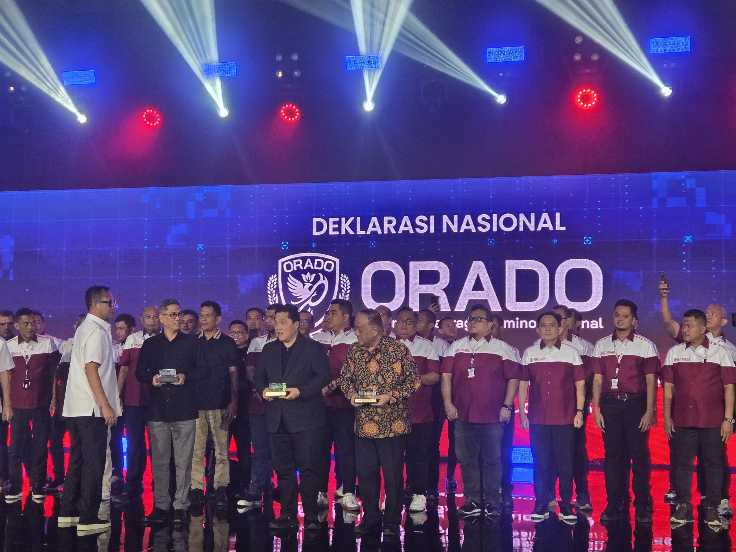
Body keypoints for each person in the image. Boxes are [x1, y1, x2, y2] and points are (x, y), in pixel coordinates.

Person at [338, 309, 419, 540]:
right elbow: (345, 379)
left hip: (392, 425)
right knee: (366, 474)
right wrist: (351, 395)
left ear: (374, 329)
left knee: (393, 476)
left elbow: (414, 382)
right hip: (364, 425)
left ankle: (391, 521)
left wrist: (391, 396)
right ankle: (371, 517)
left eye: (359, 328)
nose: (356, 332)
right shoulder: (354, 351)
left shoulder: (398, 349)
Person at [659, 278, 736, 514]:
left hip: (713, 416)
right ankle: (683, 502)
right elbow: (669, 323)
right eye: (707, 312)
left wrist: (729, 418)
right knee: (683, 461)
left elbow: (730, 386)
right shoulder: (678, 349)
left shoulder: (726, 350)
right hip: (685, 417)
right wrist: (664, 297)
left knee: (714, 460)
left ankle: (717, 501)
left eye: (714, 313)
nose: (709, 314)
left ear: (722, 321)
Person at [441, 304, 521, 518]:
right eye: (470, 319)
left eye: (479, 319)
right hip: (462, 414)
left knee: (492, 459)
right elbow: (446, 377)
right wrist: (448, 403)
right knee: (467, 459)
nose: (473, 322)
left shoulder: (502, 348)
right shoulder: (456, 347)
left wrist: (507, 405)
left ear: (490, 324)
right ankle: (473, 500)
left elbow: (513, 378)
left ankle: (493, 501)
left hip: (492, 415)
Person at [255, 304, 330, 532]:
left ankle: (311, 516)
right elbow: (259, 378)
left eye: (283, 323)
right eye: (275, 322)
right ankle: (287, 515)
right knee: (283, 470)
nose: (278, 327)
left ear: (296, 324)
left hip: (306, 419)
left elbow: (323, 376)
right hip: (276, 418)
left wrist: (301, 391)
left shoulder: (312, 348)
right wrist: (263, 391)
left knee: (308, 469)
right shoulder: (269, 349)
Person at [60, 286, 121, 535]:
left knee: (77, 460)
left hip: (77, 407)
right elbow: (91, 369)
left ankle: (69, 512)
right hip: (91, 409)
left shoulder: (84, 328)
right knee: (94, 463)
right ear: (96, 304)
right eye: (109, 302)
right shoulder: (96, 331)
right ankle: (87, 517)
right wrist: (105, 405)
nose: (113, 307)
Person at [592, 299, 659, 525]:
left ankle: (642, 505)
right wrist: (596, 409)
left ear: (634, 320)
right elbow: (598, 380)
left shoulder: (645, 346)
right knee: (613, 457)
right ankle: (615, 503)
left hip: (635, 405)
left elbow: (651, 381)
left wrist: (649, 410)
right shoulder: (601, 345)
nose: (620, 319)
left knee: (638, 456)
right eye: (617, 315)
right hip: (609, 406)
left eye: (625, 316)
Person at [136, 298, 201, 527]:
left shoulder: (192, 342)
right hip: (158, 410)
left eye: (179, 314)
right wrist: (152, 378)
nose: (178, 318)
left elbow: (203, 370)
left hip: (184, 409)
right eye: (173, 314)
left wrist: (185, 376)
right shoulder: (151, 344)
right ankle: (161, 505)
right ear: (162, 318)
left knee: (184, 462)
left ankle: (180, 505)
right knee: (160, 461)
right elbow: (140, 372)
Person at [518, 311, 585, 525]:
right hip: (538, 418)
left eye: (552, 325)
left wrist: (580, 411)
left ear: (559, 328)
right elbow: (523, 385)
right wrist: (522, 412)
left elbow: (580, 385)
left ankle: (565, 504)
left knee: (565, 464)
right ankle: (542, 503)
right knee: (541, 462)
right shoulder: (529, 353)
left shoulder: (571, 353)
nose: (547, 328)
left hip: (565, 418)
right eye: (543, 325)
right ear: (538, 329)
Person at [4, 308, 60, 504]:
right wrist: (6, 404)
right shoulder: (8, 346)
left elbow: (54, 375)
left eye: (33, 323)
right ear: (17, 325)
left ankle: (38, 486)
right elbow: (5, 377)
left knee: (40, 447)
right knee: (15, 448)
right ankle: (16, 486)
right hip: (17, 405)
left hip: (40, 404)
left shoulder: (47, 343)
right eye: (26, 323)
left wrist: (54, 399)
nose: (30, 327)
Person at [190, 301, 239, 515]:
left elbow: (234, 374)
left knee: (221, 450)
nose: (203, 319)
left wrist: (233, 401)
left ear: (218, 319)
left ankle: (220, 488)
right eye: (201, 315)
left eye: (208, 315)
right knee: (196, 450)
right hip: (196, 405)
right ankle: (196, 489)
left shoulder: (227, 343)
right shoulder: (193, 342)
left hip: (220, 405)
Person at [312, 299, 360, 511]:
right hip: (319, 405)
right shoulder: (317, 338)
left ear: (346, 316)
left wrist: (334, 385)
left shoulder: (356, 339)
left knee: (346, 450)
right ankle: (319, 492)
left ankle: (348, 491)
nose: (328, 316)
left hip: (345, 405)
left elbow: (357, 371)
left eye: (333, 313)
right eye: (328, 312)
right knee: (318, 449)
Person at [395, 307, 440, 514]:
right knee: (393, 458)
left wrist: (411, 380)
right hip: (391, 414)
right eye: (400, 321)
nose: (404, 325)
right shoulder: (385, 345)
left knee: (419, 456)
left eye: (409, 322)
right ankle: (394, 494)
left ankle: (419, 494)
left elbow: (434, 376)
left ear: (416, 325)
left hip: (420, 413)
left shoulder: (426, 346)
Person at [551, 305, 595, 512]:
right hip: (549, 409)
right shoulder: (539, 346)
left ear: (568, 321)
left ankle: (582, 495)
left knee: (576, 451)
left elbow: (589, 380)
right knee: (550, 452)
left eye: (561, 318)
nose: (556, 323)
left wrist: (583, 406)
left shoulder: (584, 347)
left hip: (575, 407)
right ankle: (548, 496)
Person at [115, 306, 159, 502]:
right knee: (134, 443)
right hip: (134, 399)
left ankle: (160, 483)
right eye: (148, 317)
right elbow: (124, 369)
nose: (152, 320)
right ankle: (133, 483)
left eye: (155, 317)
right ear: (141, 319)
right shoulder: (132, 339)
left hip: (159, 400)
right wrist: (118, 395)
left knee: (159, 445)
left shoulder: (166, 338)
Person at [238, 304, 278, 508]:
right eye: (267, 317)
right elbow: (250, 370)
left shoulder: (291, 342)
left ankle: (280, 489)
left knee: (280, 449)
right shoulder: (256, 342)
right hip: (258, 404)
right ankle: (255, 489)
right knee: (260, 448)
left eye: (273, 317)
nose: (269, 321)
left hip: (283, 405)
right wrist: (260, 389)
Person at [46, 314, 85, 494]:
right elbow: (57, 375)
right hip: (62, 403)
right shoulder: (66, 345)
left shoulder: (97, 346)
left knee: (78, 443)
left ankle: (76, 479)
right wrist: (54, 399)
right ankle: (59, 477)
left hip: (80, 404)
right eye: (79, 325)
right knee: (55, 441)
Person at [109, 313, 135, 497]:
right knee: (115, 437)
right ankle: (117, 472)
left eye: (122, 328)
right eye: (116, 328)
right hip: (115, 400)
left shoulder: (138, 346)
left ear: (131, 330)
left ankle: (133, 477)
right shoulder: (112, 348)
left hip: (133, 398)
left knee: (134, 439)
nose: (118, 332)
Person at [227, 320, 252, 499]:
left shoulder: (251, 352)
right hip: (225, 407)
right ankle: (222, 485)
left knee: (244, 448)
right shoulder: (224, 352)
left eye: (240, 332)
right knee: (221, 449)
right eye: (233, 333)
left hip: (245, 408)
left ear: (247, 335)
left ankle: (246, 484)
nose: (236, 336)